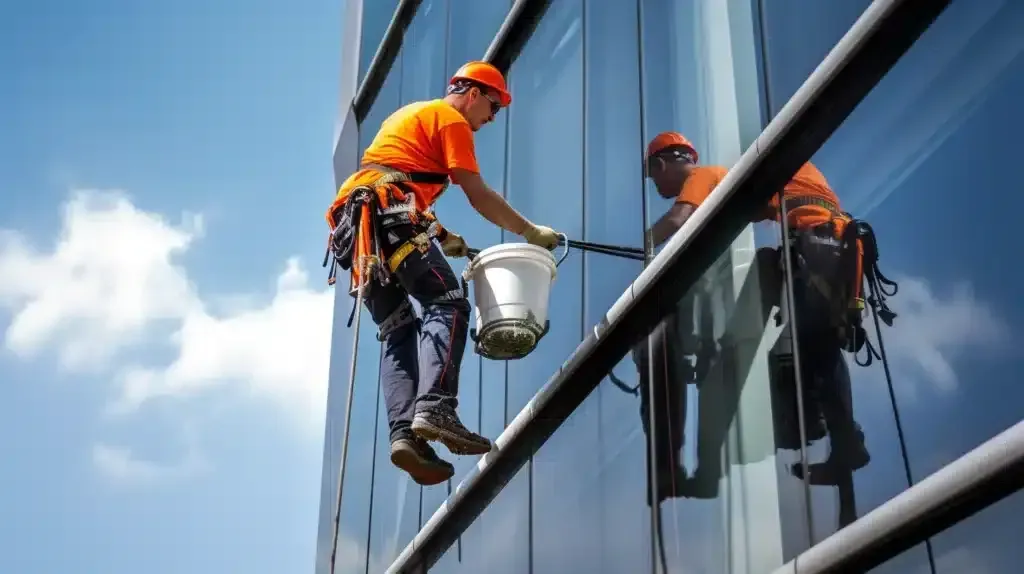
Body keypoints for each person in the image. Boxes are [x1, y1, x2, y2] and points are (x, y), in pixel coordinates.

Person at [325, 61, 561, 486]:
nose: (490, 119)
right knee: (447, 301)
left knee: (398, 327)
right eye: (492, 107)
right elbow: (477, 192)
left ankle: (406, 436)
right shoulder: (452, 119)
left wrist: (441, 234)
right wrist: (529, 231)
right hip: (387, 213)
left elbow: (398, 173)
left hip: (360, 225)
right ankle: (435, 406)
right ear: (473, 94)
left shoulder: (412, 116)